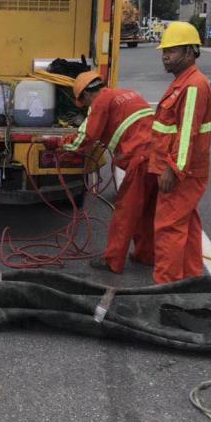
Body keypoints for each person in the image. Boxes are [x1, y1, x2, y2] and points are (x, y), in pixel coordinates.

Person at [58, 73, 156, 273]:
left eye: (83, 102)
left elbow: (86, 137)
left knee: (125, 211)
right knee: (147, 211)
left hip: (140, 159)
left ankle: (113, 260)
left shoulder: (100, 101)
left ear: (86, 93)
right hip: (158, 156)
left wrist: (60, 143)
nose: (86, 108)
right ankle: (146, 254)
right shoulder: (126, 93)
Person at [149, 21, 211, 284]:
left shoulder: (193, 85)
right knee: (187, 225)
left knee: (169, 229)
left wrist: (172, 169)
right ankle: (190, 279)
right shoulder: (183, 83)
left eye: (172, 51)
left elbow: (187, 133)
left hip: (181, 173)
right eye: (165, 50)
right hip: (184, 170)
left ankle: (166, 289)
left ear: (189, 52)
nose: (165, 55)